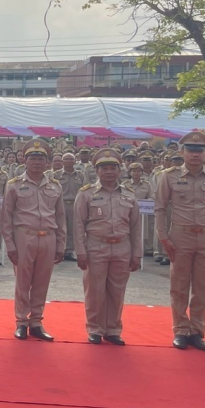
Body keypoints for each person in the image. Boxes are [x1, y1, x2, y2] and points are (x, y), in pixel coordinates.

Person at [155, 130, 205, 351]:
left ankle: (197, 331)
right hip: (181, 236)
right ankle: (180, 330)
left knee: (202, 286)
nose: (195, 155)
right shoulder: (169, 176)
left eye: (200, 151)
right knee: (179, 286)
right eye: (190, 150)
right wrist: (164, 238)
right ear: (183, 152)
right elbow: (160, 208)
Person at [74, 148, 141, 345]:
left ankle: (113, 329)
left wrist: (137, 254)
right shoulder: (86, 194)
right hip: (96, 246)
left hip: (122, 246)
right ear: (97, 170)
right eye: (104, 168)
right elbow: (78, 224)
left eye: (113, 168)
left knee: (117, 290)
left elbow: (136, 227)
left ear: (120, 171)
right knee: (95, 290)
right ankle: (94, 328)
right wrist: (80, 251)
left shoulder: (129, 194)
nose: (109, 172)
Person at [0, 139, 65, 341]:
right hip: (24, 237)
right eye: (33, 158)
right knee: (22, 282)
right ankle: (21, 321)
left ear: (47, 162)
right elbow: (6, 217)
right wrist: (9, 245)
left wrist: (61, 245)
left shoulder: (55, 186)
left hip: (48, 237)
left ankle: (36, 321)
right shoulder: (14, 185)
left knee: (41, 282)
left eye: (41, 159)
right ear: (25, 161)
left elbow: (61, 217)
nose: (37, 162)